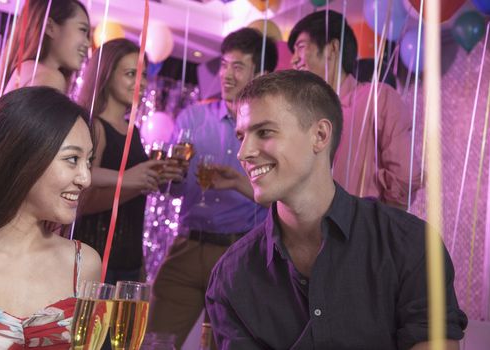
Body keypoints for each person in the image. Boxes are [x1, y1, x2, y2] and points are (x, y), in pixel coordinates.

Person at [205, 70, 467, 349]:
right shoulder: (232, 276)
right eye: (241, 136)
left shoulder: (408, 244)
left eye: (264, 132)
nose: (243, 153)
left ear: (319, 135)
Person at [146, 27, 278, 348]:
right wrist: (168, 176)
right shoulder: (193, 118)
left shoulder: (272, 130)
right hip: (188, 247)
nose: (226, 75)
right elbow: (174, 190)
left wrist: (238, 183)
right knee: (155, 341)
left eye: (237, 66)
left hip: (242, 253)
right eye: (223, 64)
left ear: (260, 73)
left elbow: (282, 197)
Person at [0, 86, 101, 348]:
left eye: (89, 161)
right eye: (72, 159)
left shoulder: (83, 264)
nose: (86, 179)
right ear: (23, 157)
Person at [289, 10, 421, 209]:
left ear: (332, 48)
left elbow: (405, 176)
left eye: (300, 47)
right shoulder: (302, 112)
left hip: (362, 232)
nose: (293, 60)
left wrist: (375, 226)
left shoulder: (378, 98)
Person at [74, 38, 180, 284]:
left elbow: (131, 194)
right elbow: (84, 200)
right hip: (96, 256)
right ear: (107, 75)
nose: (140, 83)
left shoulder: (133, 131)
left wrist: (155, 177)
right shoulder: (96, 126)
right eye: (131, 74)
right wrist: (132, 182)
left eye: (143, 75)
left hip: (130, 259)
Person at [0, 0, 90, 107]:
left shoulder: (24, 69)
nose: (88, 43)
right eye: (82, 30)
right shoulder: (51, 77)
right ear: (50, 27)